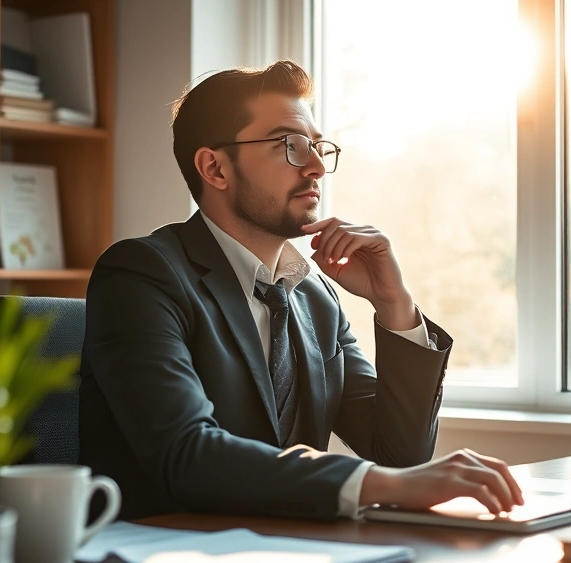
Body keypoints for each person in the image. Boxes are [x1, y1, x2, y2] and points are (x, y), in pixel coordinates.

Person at [78, 60, 523, 521]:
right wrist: (380, 484)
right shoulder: (142, 274)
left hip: (293, 552)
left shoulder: (315, 299)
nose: (315, 167)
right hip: (168, 553)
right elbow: (187, 453)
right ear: (214, 167)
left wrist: (394, 303)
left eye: (316, 147)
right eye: (290, 145)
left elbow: (399, 455)